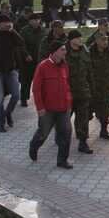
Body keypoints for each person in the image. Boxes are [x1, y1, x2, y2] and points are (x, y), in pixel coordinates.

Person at [29, 40, 74, 169]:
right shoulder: (42, 66)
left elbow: (67, 84)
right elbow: (36, 89)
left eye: (65, 49)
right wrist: (40, 107)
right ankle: (34, 146)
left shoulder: (65, 65)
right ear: (54, 52)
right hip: (48, 109)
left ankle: (62, 160)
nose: (65, 52)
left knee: (66, 133)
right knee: (43, 133)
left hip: (64, 107)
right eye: (63, 50)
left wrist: (69, 100)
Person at [0, 14, 28, 132]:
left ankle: (7, 113)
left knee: (16, 95)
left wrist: (12, 31)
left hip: (11, 69)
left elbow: (21, 42)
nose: (7, 25)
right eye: (4, 23)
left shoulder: (11, 34)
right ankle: (0, 123)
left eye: (8, 23)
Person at [65, 29, 93, 154]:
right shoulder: (63, 52)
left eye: (80, 38)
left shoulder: (85, 52)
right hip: (67, 92)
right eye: (77, 38)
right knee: (64, 118)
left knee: (83, 118)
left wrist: (91, 88)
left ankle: (83, 142)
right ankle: (61, 137)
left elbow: (90, 72)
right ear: (71, 40)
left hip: (82, 90)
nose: (80, 40)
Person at [89, 32, 109, 141]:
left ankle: (104, 130)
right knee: (88, 112)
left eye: (106, 40)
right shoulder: (89, 53)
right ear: (96, 41)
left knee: (105, 111)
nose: (105, 42)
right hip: (93, 88)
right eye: (102, 40)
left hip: (105, 87)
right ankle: (82, 135)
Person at [19, 13, 44, 107]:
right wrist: (26, 55)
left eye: (38, 20)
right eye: (34, 20)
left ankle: (42, 99)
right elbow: (21, 45)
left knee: (41, 81)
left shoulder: (44, 30)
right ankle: (24, 98)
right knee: (26, 81)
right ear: (30, 21)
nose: (36, 22)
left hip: (40, 60)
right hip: (28, 60)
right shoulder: (24, 31)